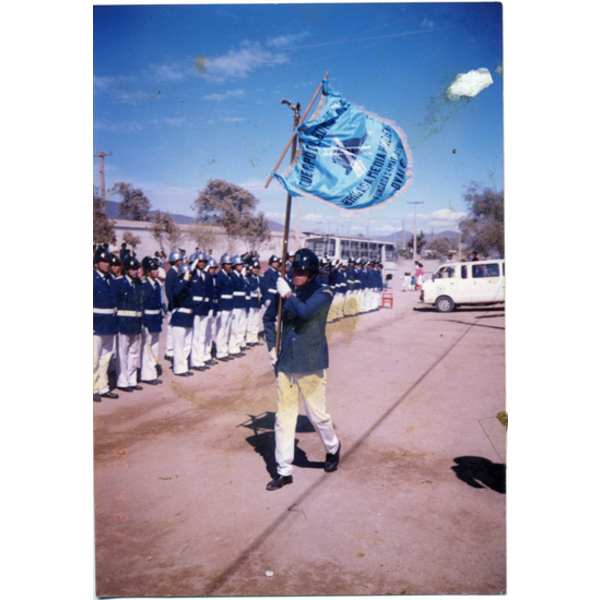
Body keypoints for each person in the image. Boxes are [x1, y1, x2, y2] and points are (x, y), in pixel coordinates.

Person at [262, 248, 341, 491]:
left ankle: (333, 447)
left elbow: (305, 311)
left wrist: (286, 294)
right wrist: (272, 347)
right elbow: (268, 319)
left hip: (310, 363)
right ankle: (284, 471)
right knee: (284, 417)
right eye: (294, 270)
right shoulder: (287, 292)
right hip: (286, 363)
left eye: (303, 271)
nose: (296, 275)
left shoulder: (323, 292)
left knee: (316, 415)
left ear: (313, 274)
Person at [114, 256, 144, 392]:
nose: (135, 271)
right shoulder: (119, 283)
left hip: (136, 323)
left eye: (136, 268)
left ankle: (132, 380)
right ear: (126, 270)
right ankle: (122, 381)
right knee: (122, 353)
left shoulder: (138, 283)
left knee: (133, 352)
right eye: (132, 269)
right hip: (123, 323)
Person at [93, 247, 119, 402]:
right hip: (95, 322)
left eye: (108, 261)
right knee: (93, 358)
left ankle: (103, 387)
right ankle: (92, 388)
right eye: (103, 261)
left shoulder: (110, 278)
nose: (106, 264)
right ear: (96, 263)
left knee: (106, 357)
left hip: (109, 323)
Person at [140, 256, 164, 385]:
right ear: (148, 270)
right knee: (147, 347)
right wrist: (144, 322)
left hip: (156, 319)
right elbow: (142, 305)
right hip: (148, 320)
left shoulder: (156, 284)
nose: (157, 271)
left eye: (157, 268)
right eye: (154, 269)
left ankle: (152, 372)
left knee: (154, 347)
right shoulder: (144, 285)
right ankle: (147, 375)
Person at [170, 263, 195, 376]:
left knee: (186, 345)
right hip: (180, 318)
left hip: (188, 318)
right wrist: (184, 281)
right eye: (188, 274)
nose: (190, 276)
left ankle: (184, 366)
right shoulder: (177, 285)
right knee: (179, 345)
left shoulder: (189, 286)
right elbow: (176, 293)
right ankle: (179, 368)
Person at [164, 251, 184, 362]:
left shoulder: (177, 272)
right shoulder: (171, 273)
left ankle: (173, 349)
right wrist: (172, 306)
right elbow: (169, 291)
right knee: (171, 329)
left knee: (175, 329)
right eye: (179, 260)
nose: (181, 262)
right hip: (173, 306)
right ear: (175, 261)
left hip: (177, 305)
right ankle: (169, 351)